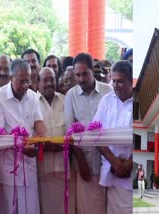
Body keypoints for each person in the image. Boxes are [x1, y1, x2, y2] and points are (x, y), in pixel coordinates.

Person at [0, 59, 47, 214]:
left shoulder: (33, 96)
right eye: (21, 81)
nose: (25, 86)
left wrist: (45, 139)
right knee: (9, 209)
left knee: (30, 208)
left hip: (29, 167)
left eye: (28, 81)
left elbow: (39, 123)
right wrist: (21, 147)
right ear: (11, 78)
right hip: (8, 169)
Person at [64, 53, 112, 214]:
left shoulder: (108, 91)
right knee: (86, 208)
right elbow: (69, 132)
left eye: (85, 74)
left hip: (108, 162)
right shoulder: (71, 95)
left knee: (107, 207)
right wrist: (81, 162)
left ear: (92, 70)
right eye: (78, 75)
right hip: (84, 162)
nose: (81, 79)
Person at [94, 60, 133, 214]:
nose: (116, 85)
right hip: (111, 171)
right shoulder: (107, 101)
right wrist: (114, 162)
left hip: (131, 172)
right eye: (114, 81)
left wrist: (129, 164)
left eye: (121, 81)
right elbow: (95, 134)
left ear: (131, 81)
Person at [37, 67, 74, 214]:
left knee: (63, 208)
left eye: (51, 79)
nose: (48, 83)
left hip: (63, 168)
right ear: (38, 83)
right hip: (42, 170)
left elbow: (73, 129)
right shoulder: (32, 101)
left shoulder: (65, 101)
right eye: (45, 80)